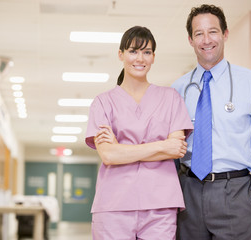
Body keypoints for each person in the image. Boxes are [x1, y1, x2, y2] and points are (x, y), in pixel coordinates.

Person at [172, 4, 251, 240]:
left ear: (225, 34)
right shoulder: (178, 89)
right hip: (189, 192)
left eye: (212, 31)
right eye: (199, 33)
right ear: (190, 40)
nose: (206, 40)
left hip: (236, 193)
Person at [85, 26, 193, 240]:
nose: (140, 58)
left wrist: (122, 149)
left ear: (153, 57)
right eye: (133, 51)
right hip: (113, 205)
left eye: (147, 52)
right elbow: (108, 155)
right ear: (121, 54)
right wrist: (162, 146)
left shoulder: (171, 98)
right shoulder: (103, 103)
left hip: (161, 205)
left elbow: (177, 149)